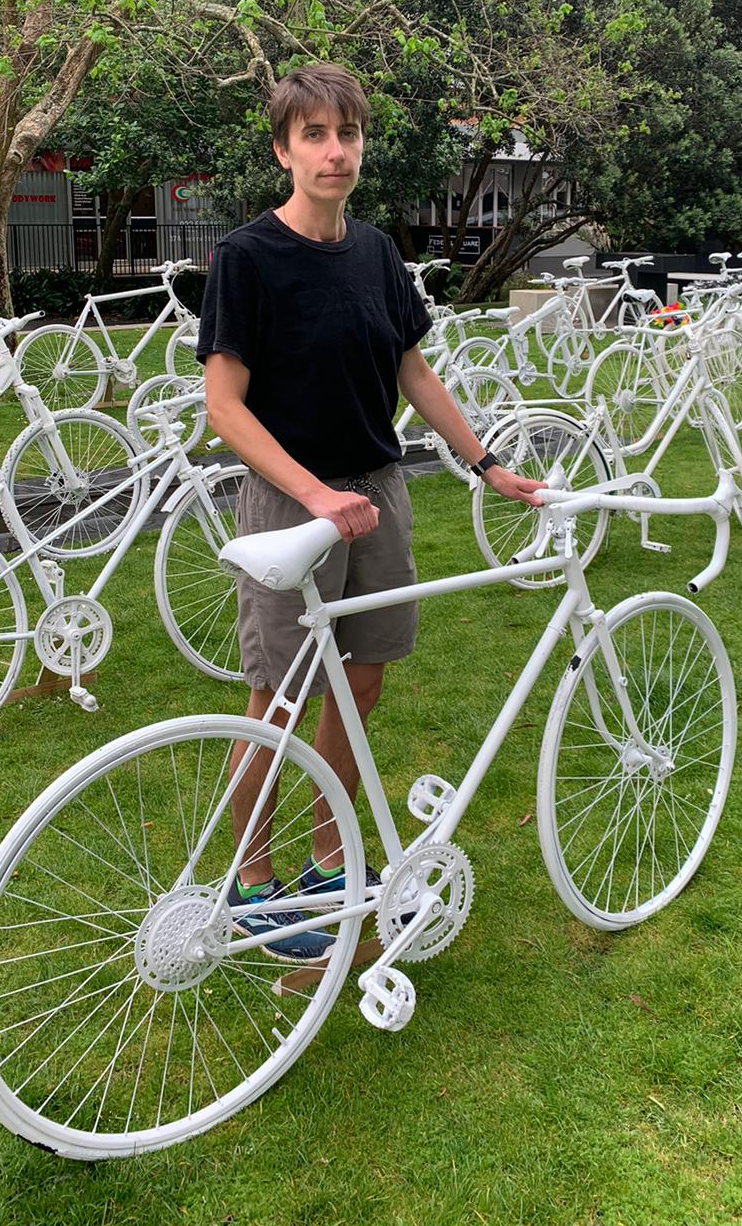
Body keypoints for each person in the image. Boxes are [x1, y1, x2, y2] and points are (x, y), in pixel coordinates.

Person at [197, 64, 544, 960]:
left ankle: (323, 857)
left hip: (378, 492)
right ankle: (251, 878)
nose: (335, 151)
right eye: (314, 135)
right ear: (283, 151)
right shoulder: (246, 257)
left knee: (361, 684)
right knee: (276, 702)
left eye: (346, 134)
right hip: (292, 503)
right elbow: (224, 406)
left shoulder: (377, 252)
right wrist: (313, 494)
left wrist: (486, 463)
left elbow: (413, 372)